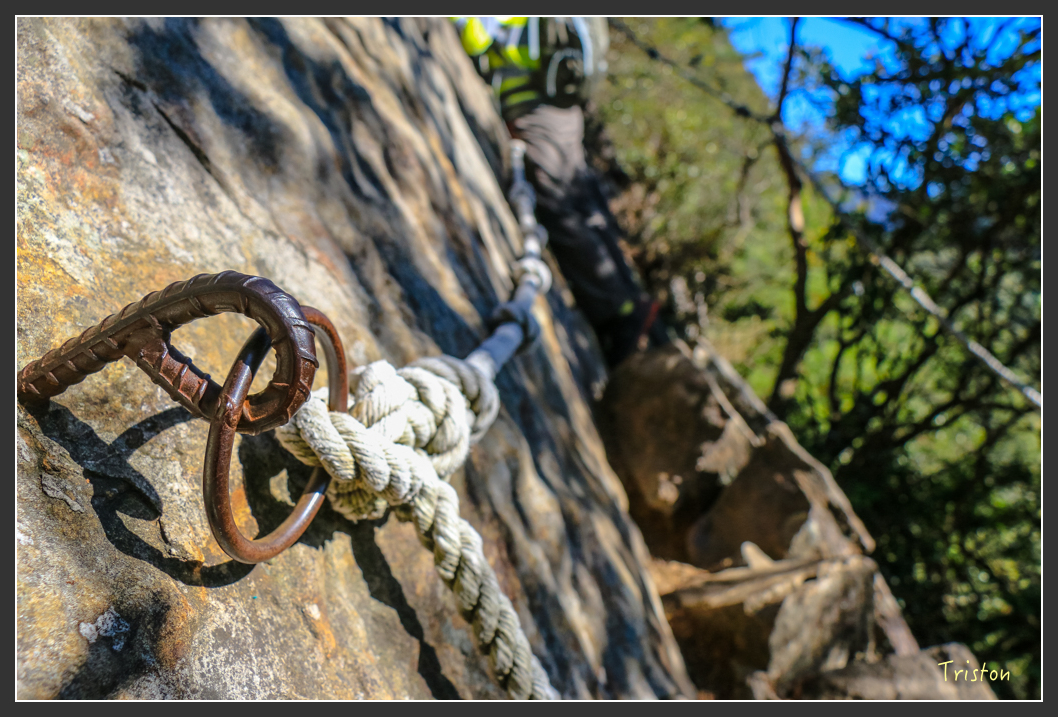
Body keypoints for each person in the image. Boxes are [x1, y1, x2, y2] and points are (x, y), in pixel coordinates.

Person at [452, 16, 667, 368]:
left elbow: (480, 41)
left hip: (534, 104)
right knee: (583, 202)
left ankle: (617, 313)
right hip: (564, 105)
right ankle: (629, 303)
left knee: (559, 207)